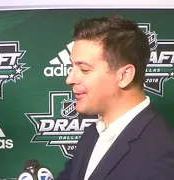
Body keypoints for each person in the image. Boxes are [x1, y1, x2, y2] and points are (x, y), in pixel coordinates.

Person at [56, 15, 174, 180]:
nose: (69, 79)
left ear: (124, 76)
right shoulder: (91, 134)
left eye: (84, 69)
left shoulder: (163, 153)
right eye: (71, 66)